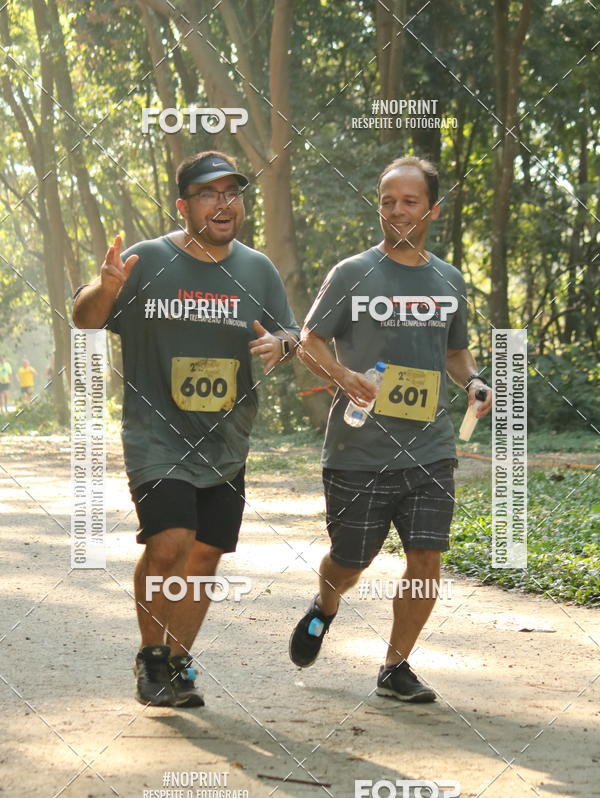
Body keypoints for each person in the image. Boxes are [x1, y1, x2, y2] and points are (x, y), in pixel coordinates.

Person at [73, 150, 299, 707]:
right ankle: (151, 660)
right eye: (208, 193)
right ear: (184, 205)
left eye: (232, 193)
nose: (224, 203)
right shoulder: (146, 261)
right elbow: (85, 318)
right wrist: (105, 289)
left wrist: (283, 344)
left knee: (204, 556)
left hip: (227, 440)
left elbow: (292, 333)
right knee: (170, 541)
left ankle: (177, 661)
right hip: (157, 435)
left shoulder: (258, 269)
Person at [289, 156, 492, 702]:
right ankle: (324, 605)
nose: (397, 210)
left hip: (430, 447)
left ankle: (395, 667)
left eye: (409, 201)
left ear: (432, 209)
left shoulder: (448, 278)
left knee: (426, 558)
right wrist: (344, 376)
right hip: (359, 448)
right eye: (387, 201)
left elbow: (455, 352)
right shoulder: (353, 273)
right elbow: (309, 339)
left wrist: (473, 380)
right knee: (350, 560)